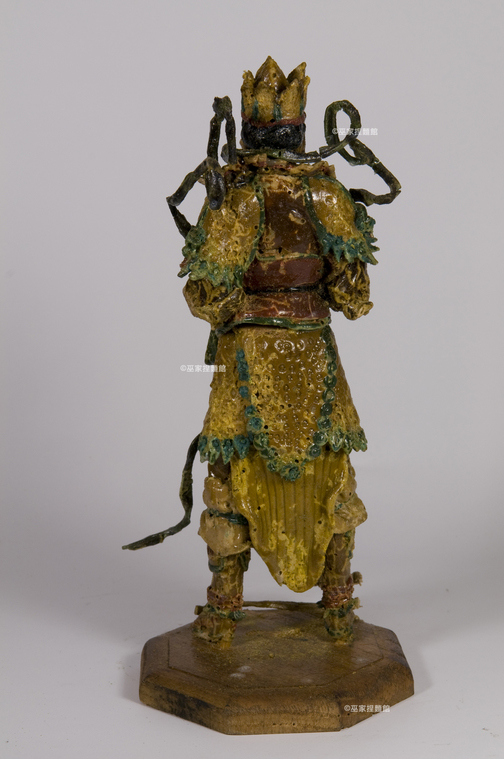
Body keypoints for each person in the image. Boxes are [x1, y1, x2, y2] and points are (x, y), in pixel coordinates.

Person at [180, 57, 381, 645]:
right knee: (332, 470)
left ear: (248, 131)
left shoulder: (239, 200)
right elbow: (354, 297)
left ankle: (224, 611)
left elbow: (206, 294)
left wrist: (231, 303)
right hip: (314, 353)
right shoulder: (328, 194)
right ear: (300, 129)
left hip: (247, 354)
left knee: (229, 475)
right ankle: (338, 606)